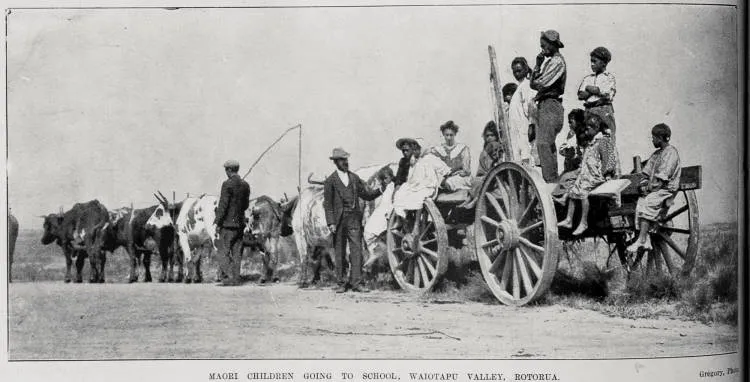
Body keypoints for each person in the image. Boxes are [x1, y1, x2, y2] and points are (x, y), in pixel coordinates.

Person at [323, 147, 385, 293]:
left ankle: (357, 283)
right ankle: (341, 283)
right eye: (342, 160)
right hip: (338, 221)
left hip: (354, 219)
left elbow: (366, 194)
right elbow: (328, 205)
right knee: (340, 252)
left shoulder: (354, 178)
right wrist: (331, 222)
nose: (345, 162)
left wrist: (380, 190)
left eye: (346, 159)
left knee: (356, 250)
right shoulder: (330, 181)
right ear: (336, 162)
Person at [556, 113, 620, 235]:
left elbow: (609, 159)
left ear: (596, 129)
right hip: (588, 175)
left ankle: (584, 222)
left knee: (583, 191)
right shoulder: (592, 143)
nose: (586, 130)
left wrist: (608, 174)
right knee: (574, 189)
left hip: (597, 176)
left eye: (589, 128)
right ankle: (569, 219)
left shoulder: (603, 141)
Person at [627, 124, 681, 252]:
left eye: (653, 137)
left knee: (648, 201)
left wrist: (648, 188)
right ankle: (647, 238)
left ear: (661, 138)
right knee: (640, 202)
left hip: (667, 190)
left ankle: (641, 239)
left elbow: (662, 179)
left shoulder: (671, 153)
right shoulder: (656, 155)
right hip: (657, 189)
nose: (652, 140)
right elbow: (645, 173)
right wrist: (643, 184)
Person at [530, 30, 567, 182]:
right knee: (545, 145)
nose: (542, 49)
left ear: (552, 44)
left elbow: (540, 83)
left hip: (551, 105)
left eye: (544, 46)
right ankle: (551, 180)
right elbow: (534, 83)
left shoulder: (557, 62)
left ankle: (551, 181)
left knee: (544, 144)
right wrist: (538, 65)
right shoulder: (548, 62)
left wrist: (536, 79)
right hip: (545, 104)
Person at [214, 159, 251, 286]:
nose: (225, 172)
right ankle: (236, 278)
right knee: (237, 252)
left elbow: (223, 205)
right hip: (240, 224)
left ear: (229, 170)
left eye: (226, 169)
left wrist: (217, 222)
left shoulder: (227, 184)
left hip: (228, 225)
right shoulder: (245, 185)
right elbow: (246, 205)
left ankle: (229, 277)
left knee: (222, 251)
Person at [577, 47, 616, 136]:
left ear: (604, 63)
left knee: (606, 137)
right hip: (589, 110)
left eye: (595, 61)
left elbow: (607, 96)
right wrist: (593, 90)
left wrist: (590, 90)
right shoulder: (588, 78)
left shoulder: (609, 78)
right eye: (591, 61)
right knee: (588, 138)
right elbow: (581, 95)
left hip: (603, 110)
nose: (592, 64)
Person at [425, 120, 472, 192]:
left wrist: (459, 172)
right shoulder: (437, 149)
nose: (449, 138)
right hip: (443, 177)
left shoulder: (462, 148)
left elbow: (467, 170)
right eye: (447, 135)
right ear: (443, 134)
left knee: (450, 182)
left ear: (455, 134)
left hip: (458, 177)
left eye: (451, 135)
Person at [508, 57, 537, 165]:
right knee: (518, 155)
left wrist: (531, 124)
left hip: (524, 126)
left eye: (519, 70)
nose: (516, 74)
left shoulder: (527, 86)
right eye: (514, 71)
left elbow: (530, 107)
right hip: (517, 128)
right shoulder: (519, 88)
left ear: (525, 70)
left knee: (525, 154)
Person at [553, 109, 587, 196]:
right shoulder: (571, 134)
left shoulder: (583, 135)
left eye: (571, 122)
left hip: (579, 168)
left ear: (579, 122)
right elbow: (563, 148)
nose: (569, 125)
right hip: (571, 167)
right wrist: (567, 150)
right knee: (559, 181)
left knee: (564, 180)